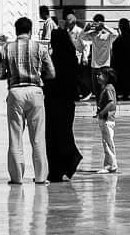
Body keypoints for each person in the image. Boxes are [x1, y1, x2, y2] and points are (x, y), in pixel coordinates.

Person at [0, 16, 55, 185]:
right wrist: (36, 74)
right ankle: (41, 177)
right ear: (30, 31)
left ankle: (16, 178)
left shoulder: (7, 48)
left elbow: (0, 74)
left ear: (16, 31)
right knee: (37, 138)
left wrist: (14, 73)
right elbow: (51, 73)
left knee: (15, 137)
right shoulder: (40, 48)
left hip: (15, 93)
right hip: (35, 92)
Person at [44, 28, 83, 182]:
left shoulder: (55, 58)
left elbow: (48, 79)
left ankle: (61, 167)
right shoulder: (72, 58)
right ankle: (60, 169)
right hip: (67, 103)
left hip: (54, 101)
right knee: (64, 133)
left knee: (52, 136)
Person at [81, 14, 119, 98]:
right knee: (96, 89)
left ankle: (105, 106)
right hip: (95, 65)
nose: (96, 25)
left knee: (105, 89)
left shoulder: (108, 35)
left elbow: (116, 34)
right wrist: (86, 28)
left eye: (98, 23)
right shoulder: (93, 34)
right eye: (95, 23)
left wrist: (104, 26)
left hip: (105, 66)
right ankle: (99, 106)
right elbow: (82, 36)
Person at [94, 68, 119, 173]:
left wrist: (102, 112)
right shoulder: (106, 88)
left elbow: (111, 103)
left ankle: (111, 165)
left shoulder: (108, 88)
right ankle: (109, 164)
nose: (97, 76)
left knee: (108, 142)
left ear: (107, 77)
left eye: (100, 75)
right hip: (105, 119)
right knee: (106, 142)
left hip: (107, 119)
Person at [63, 8, 91, 100]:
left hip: (79, 57)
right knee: (73, 77)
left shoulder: (79, 31)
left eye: (68, 21)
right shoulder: (67, 31)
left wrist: (85, 57)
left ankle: (87, 92)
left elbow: (86, 45)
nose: (67, 23)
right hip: (71, 57)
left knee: (79, 77)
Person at [111, 18, 130, 100]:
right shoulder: (127, 36)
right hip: (127, 63)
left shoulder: (123, 38)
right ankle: (129, 93)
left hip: (122, 63)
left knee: (123, 79)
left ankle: (126, 94)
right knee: (127, 79)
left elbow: (118, 48)